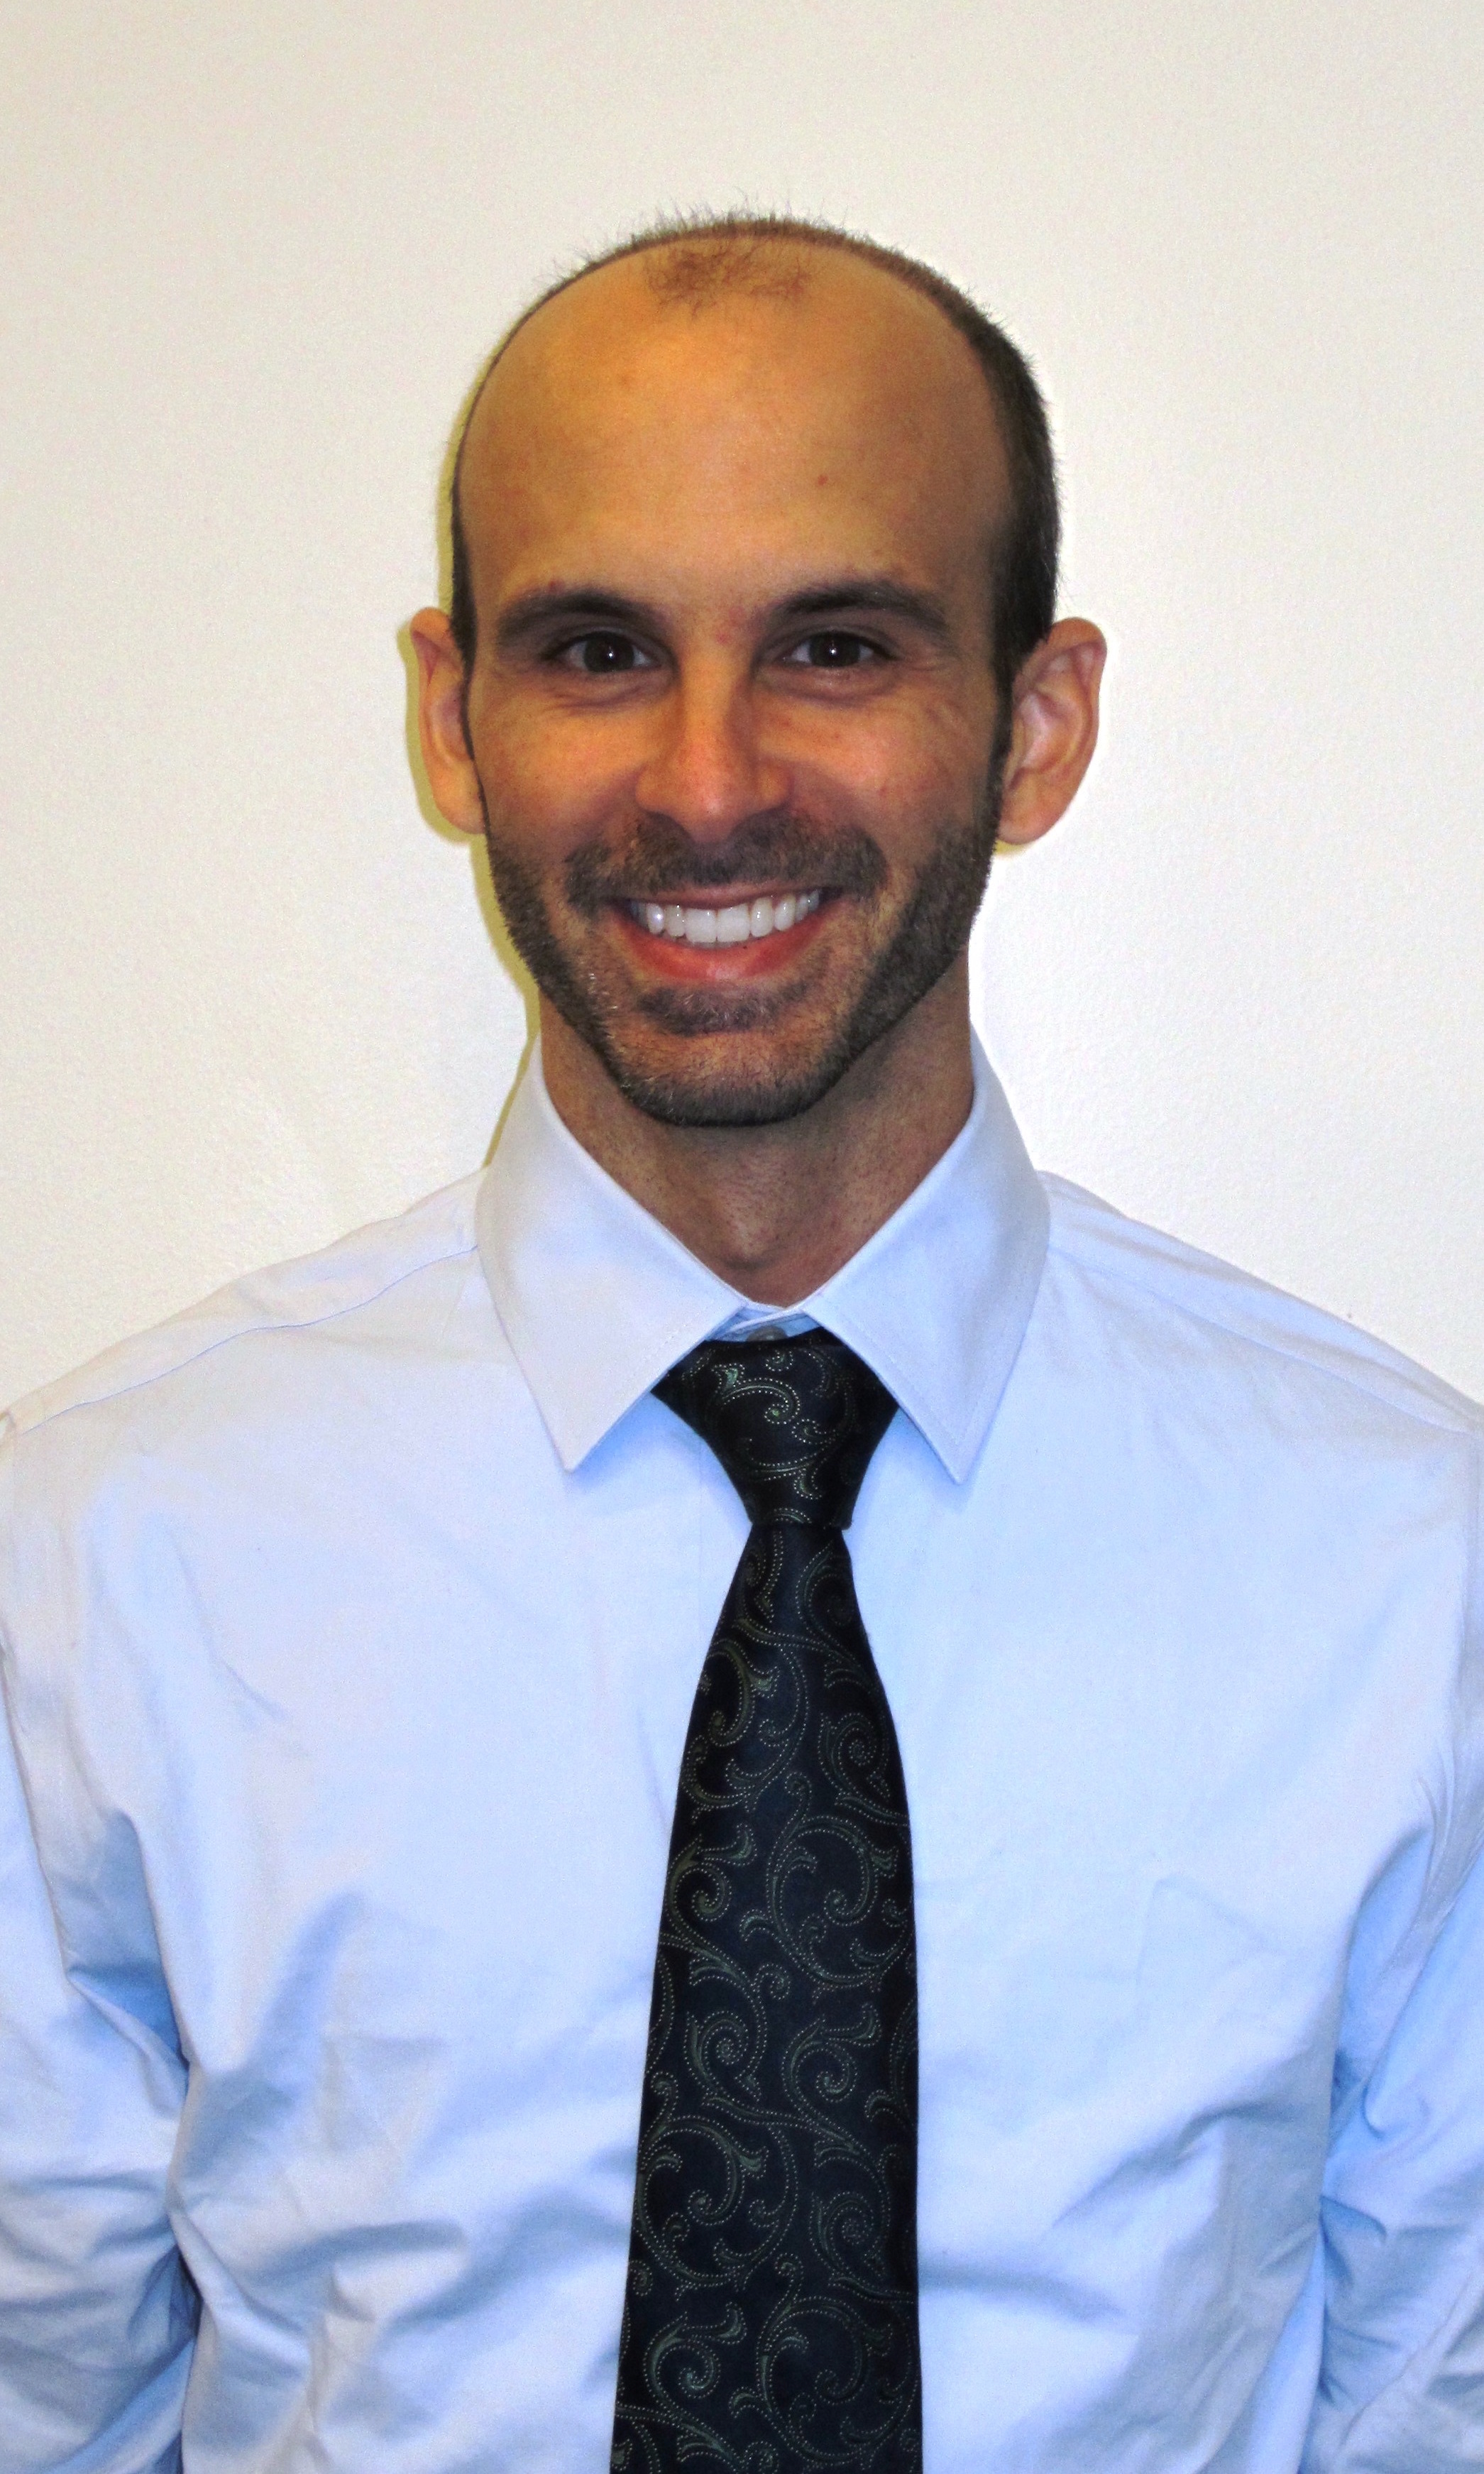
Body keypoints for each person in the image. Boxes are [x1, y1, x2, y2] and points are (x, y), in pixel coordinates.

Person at [1, 214, 1480, 2474]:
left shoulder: (1405, 1571)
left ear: (1035, 721)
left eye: (836, 647)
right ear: (448, 714)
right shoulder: (102, 1564)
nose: (707, 783)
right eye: (597, 649)